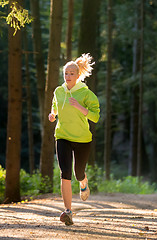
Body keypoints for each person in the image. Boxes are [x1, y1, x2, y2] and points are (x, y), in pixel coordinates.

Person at [48, 53, 100, 226]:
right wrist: (53, 114)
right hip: (62, 135)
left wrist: (79, 107)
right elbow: (55, 105)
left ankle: (83, 181)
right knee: (65, 173)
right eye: (66, 73)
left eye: (72, 73)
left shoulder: (86, 94)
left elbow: (95, 117)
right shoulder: (58, 91)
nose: (68, 76)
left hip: (82, 139)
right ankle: (68, 211)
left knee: (78, 173)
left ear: (78, 76)